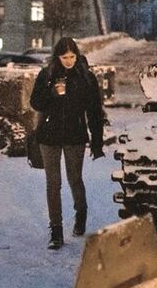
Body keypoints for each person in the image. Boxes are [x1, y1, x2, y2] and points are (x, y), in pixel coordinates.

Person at [30, 37, 105, 250]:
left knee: (75, 179)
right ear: (57, 57)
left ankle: (81, 213)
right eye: (65, 57)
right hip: (49, 136)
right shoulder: (47, 75)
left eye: (72, 56)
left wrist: (97, 142)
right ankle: (56, 231)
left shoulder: (86, 77)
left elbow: (94, 112)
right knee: (53, 184)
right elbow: (35, 102)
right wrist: (52, 93)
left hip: (75, 135)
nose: (69, 61)